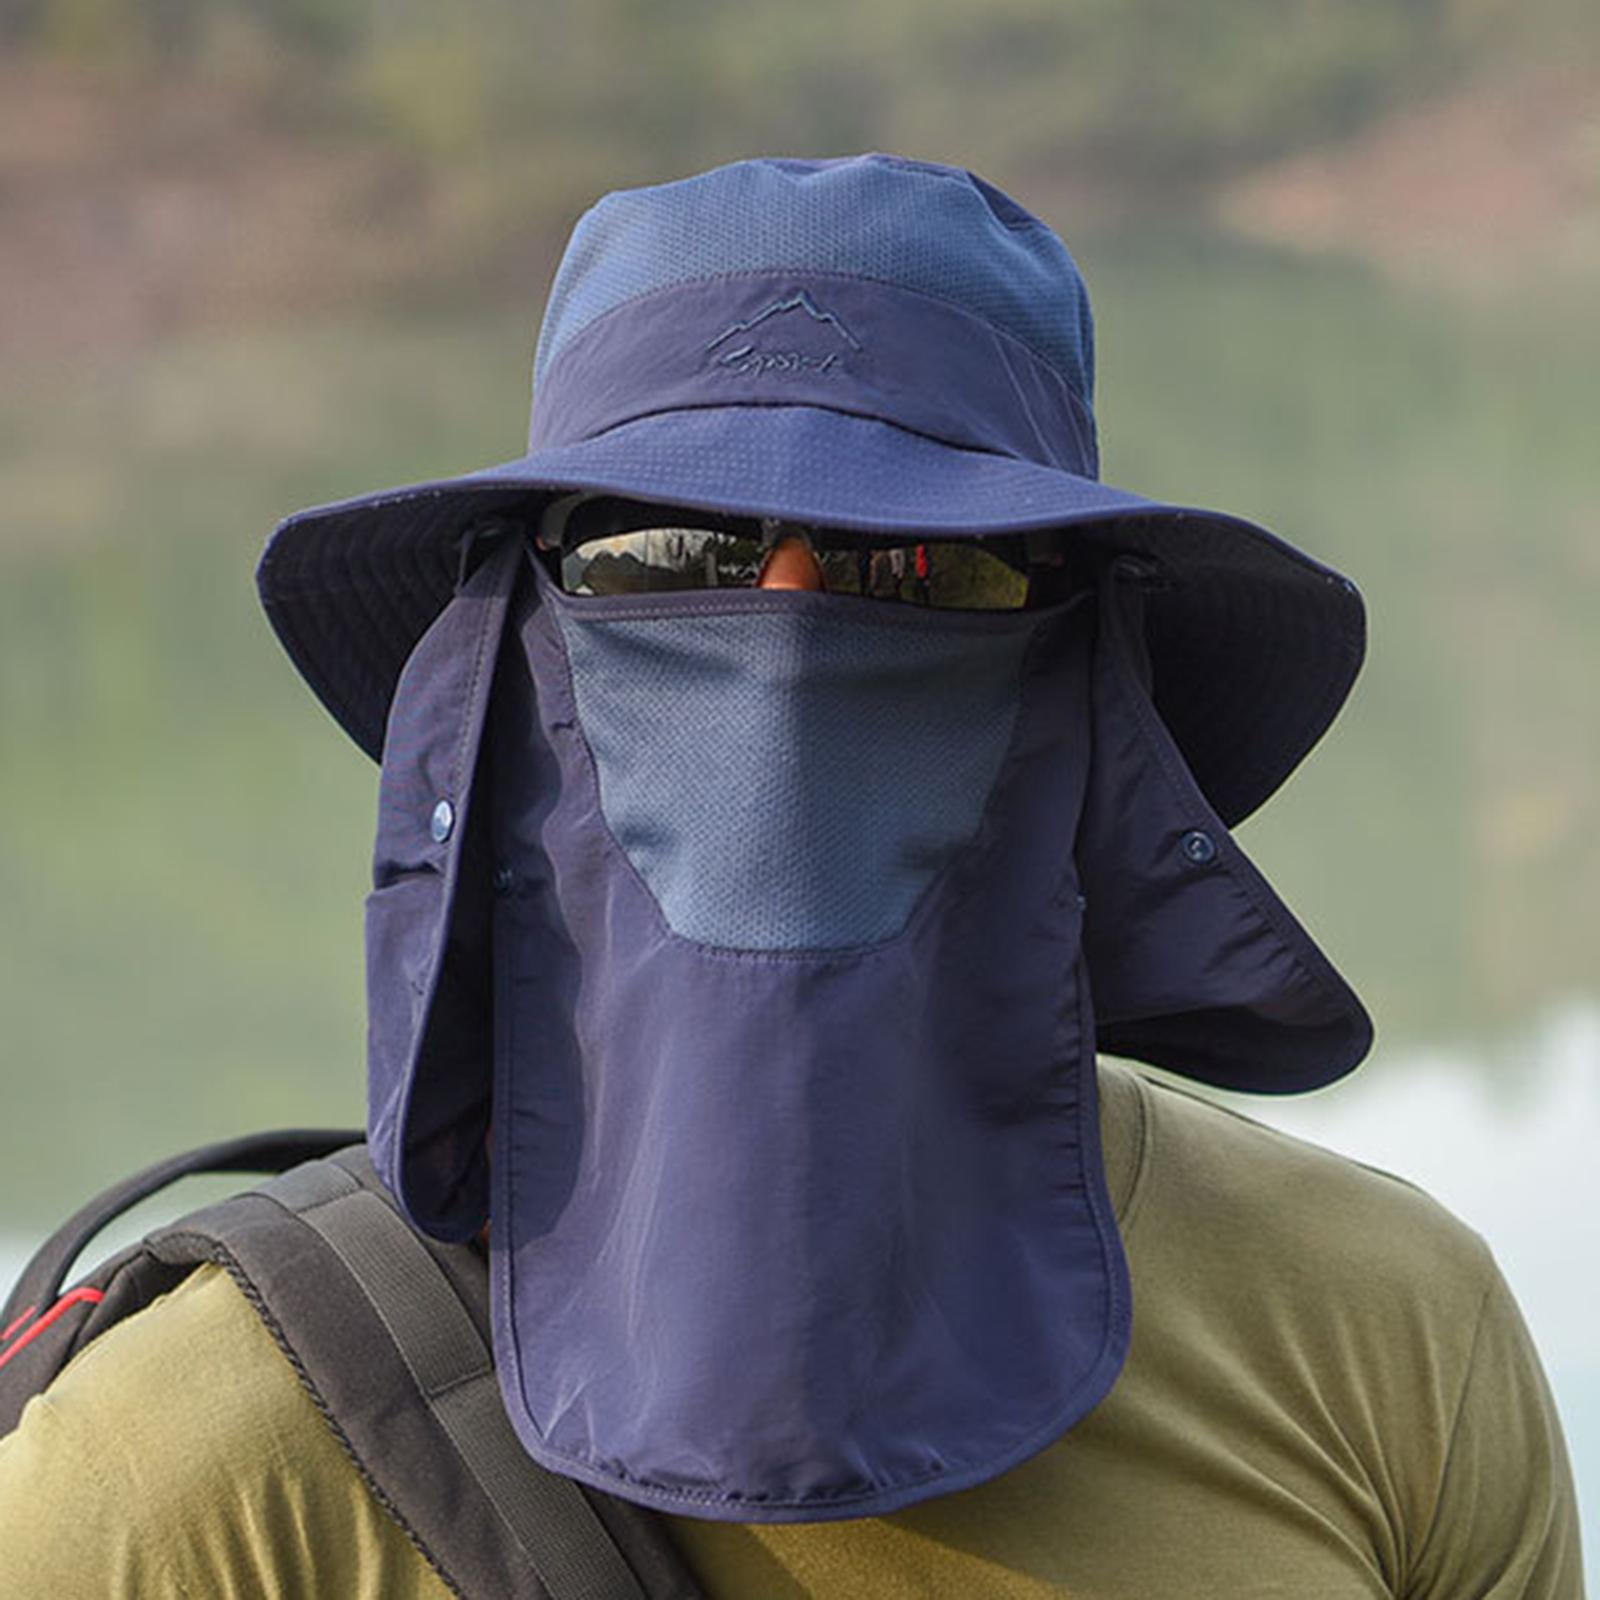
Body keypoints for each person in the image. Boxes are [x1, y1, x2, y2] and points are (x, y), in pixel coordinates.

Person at [0, 153, 1582, 1597]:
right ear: (514, 661)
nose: (789, 649)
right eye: (662, 556)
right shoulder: (182, 1473)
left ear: (1085, 679)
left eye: (923, 567)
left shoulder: (1386, 1340)